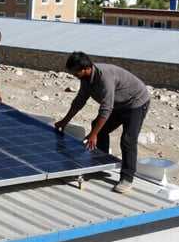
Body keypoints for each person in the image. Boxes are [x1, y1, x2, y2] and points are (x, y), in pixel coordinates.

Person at [54, 51, 150, 194]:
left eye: (75, 72)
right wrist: (64, 121)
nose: (74, 75)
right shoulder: (86, 79)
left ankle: (127, 178)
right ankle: (101, 164)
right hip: (119, 103)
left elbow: (106, 109)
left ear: (86, 68)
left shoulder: (105, 78)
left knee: (128, 140)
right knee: (98, 128)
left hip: (136, 102)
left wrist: (93, 135)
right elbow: (80, 100)